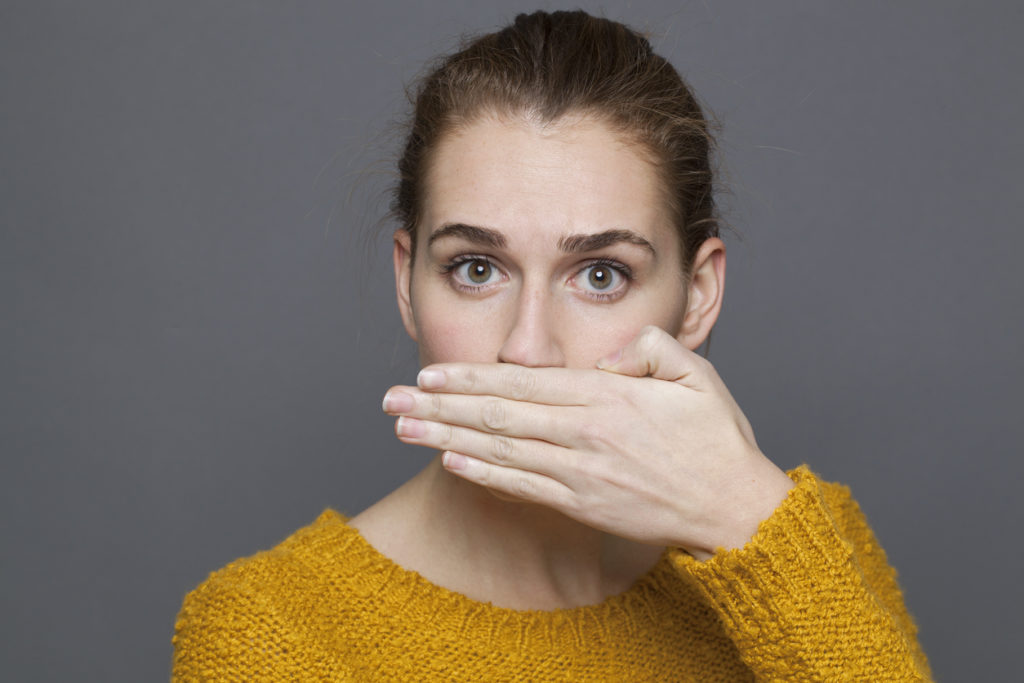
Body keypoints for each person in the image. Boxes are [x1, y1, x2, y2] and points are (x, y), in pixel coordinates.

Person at [172, 10, 931, 681]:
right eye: (476, 268)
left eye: (600, 275)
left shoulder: (799, 543)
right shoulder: (270, 630)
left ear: (697, 295)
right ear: (408, 282)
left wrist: (746, 520)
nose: (526, 349)